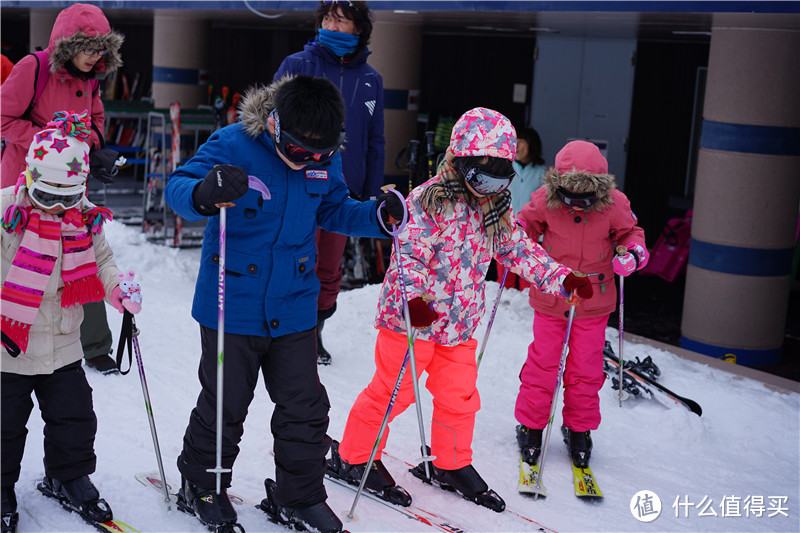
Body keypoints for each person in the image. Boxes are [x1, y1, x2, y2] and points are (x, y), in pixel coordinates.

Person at [163, 74, 403, 533]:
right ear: (275, 125)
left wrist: (376, 215)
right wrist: (203, 192)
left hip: (294, 304)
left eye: (321, 154)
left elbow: (333, 208)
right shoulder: (233, 143)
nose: (309, 160)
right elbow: (180, 187)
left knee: (305, 406)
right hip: (231, 302)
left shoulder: (322, 159)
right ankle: (202, 483)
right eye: (298, 150)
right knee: (226, 403)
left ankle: (300, 495)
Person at [327, 108, 593, 512]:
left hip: (460, 326)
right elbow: (408, 259)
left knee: (460, 397)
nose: (490, 181)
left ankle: (451, 462)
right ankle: (354, 455)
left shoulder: (495, 210)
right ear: (461, 161)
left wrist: (562, 278)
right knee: (392, 393)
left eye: (500, 171)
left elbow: (519, 250)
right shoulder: (426, 201)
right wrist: (412, 303)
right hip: (412, 323)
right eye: (483, 170)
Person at [0, 111, 142, 533]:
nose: (59, 208)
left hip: (63, 339)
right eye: (48, 197)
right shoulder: (7, 210)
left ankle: (68, 475)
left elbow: (101, 260)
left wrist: (117, 292)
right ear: (30, 177)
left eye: (67, 198)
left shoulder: (83, 215)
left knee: (75, 417)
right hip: (9, 342)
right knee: (4, 426)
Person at [0, 3, 124, 375]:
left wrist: (94, 146)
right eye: (90, 49)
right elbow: (3, 118)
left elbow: (96, 119)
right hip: (26, 187)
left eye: (102, 50)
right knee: (22, 266)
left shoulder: (91, 77)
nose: (96, 57)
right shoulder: (34, 68)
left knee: (80, 257)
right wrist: (53, 145)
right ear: (69, 46)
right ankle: (12, 339)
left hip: (71, 190)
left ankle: (94, 344)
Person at [514, 140, 649, 470]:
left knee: (585, 370)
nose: (576, 204)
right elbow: (525, 224)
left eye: (585, 198)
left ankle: (579, 430)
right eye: (569, 196)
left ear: (599, 190)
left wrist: (631, 255)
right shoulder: (545, 199)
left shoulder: (615, 203)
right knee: (543, 364)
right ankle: (531, 425)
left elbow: (632, 234)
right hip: (553, 295)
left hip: (593, 300)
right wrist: (517, 235)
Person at [274, 0, 385, 365]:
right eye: (328, 19)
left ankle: (315, 330)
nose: (333, 26)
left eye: (342, 20)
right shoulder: (297, 65)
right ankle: (293, 333)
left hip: (342, 192)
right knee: (296, 260)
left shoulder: (371, 79)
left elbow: (374, 140)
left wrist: (369, 197)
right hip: (297, 183)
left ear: (359, 29)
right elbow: (270, 124)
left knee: (329, 269)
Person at [498, 126, 546, 291]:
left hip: (531, 235)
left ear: (531, 144)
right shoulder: (504, 167)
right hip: (505, 231)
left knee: (527, 283)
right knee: (504, 283)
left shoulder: (543, 173)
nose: (516, 146)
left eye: (520, 142)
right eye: (514, 142)